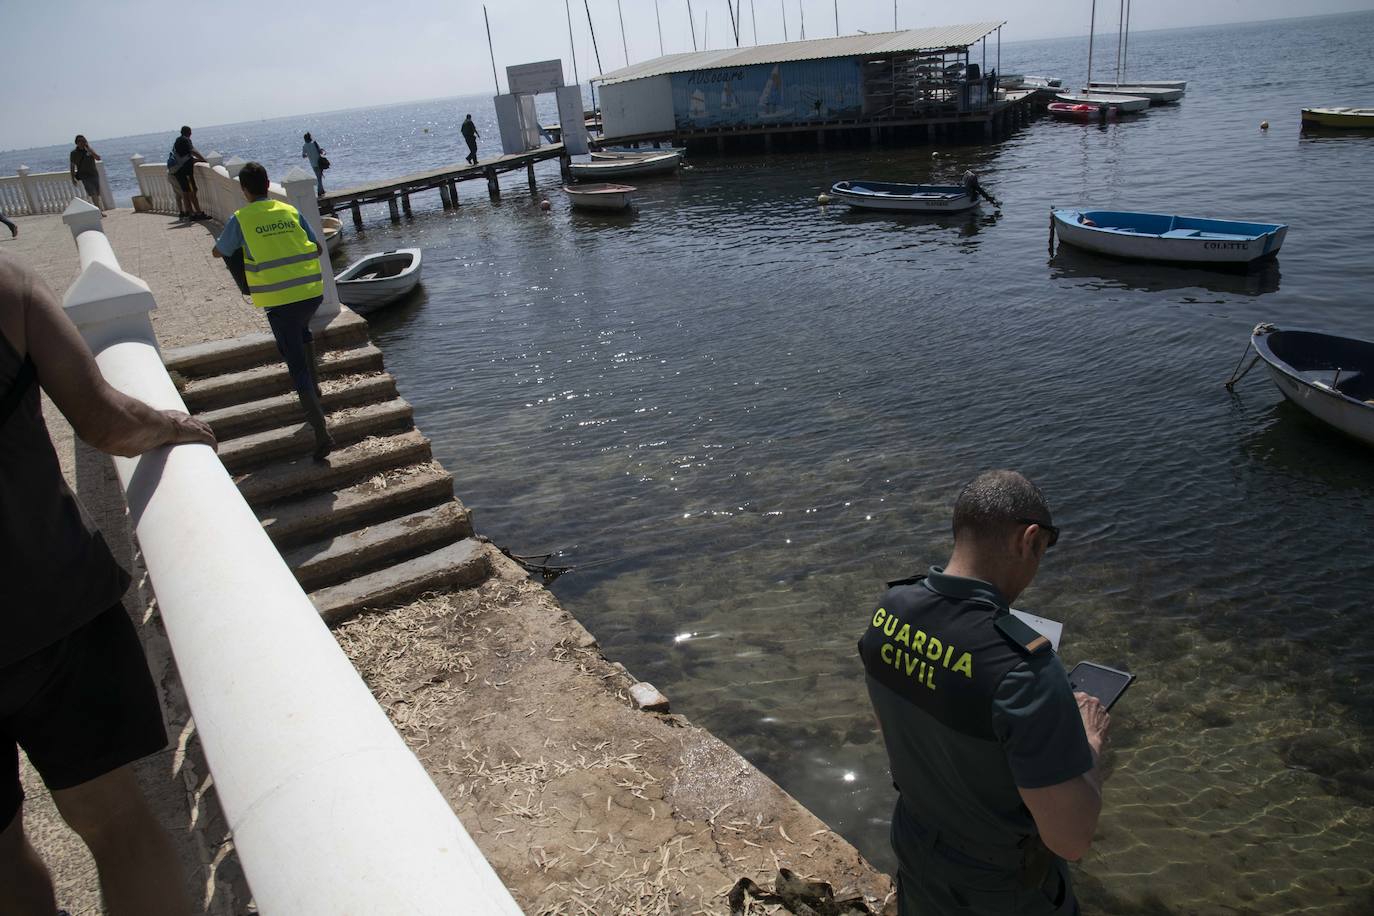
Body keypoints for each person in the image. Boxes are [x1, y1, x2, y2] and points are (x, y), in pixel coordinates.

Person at [1, 251, 214, 915]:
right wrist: (182, 428)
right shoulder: (9, 286)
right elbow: (105, 419)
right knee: (116, 825)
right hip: (51, 609)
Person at [858, 470, 1111, 916]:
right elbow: (1070, 840)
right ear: (1029, 540)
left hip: (916, 841)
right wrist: (1088, 742)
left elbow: (891, 726)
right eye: (1044, 550)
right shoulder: (1026, 669)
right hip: (998, 886)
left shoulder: (889, 612)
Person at [212, 161, 334, 460]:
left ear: (244, 190)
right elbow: (317, 247)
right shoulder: (290, 210)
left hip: (279, 301)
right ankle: (315, 394)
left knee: (295, 363)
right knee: (302, 333)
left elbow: (220, 250)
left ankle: (321, 432)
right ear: (268, 185)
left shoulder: (241, 218)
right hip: (310, 294)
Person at [169, 126, 208, 221]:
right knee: (192, 192)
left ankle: (191, 214)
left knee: (185, 193)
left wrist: (195, 160)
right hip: (185, 172)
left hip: (178, 171)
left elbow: (185, 157)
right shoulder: (186, 140)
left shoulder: (177, 141)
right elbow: (193, 151)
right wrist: (204, 160)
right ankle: (198, 213)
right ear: (189, 133)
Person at [68, 136, 104, 214]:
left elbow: (98, 158)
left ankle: (98, 209)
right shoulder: (74, 153)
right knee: (93, 193)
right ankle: (99, 211)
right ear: (77, 143)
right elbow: (72, 166)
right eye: (80, 141)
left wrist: (90, 150)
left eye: (84, 141)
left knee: (97, 194)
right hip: (84, 176)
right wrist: (72, 178)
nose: (82, 143)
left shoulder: (89, 150)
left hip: (94, 174)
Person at [301, 131, 327, 197]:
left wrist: (309, 155)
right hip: (319, 162)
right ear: (310, 137)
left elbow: (303, 156)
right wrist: (323, 152)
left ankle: (322, 190)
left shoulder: (304, 146)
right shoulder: (314, 143)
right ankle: (319, 191)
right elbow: (320, 151)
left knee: (319, 176)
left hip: (312, 164)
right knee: (319, 177)